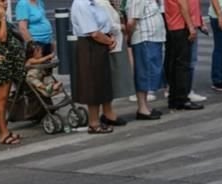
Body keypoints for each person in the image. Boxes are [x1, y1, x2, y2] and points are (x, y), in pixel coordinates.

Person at [70, 0, 119, 133]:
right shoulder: (81, 4)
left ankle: (105, 116)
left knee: (102, 81)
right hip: (90, 46)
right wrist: (109, 41)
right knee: (92, 83)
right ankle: (94, 123)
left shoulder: (93, 3)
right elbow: (93, 32)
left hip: (100, 44)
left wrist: (110, 38)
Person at [0, 0, 27, 146]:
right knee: (1, 99)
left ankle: (6, 130)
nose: (6, 4)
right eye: (3, 1)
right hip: (1, 65)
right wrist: (3, 18)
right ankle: (3, 133)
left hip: (11, 63)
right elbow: (2, 37)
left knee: (6, 98)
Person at [125, 0, 164, 118]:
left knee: (148, 73)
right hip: (144, 38)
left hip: (152, 37)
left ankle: (145, 106)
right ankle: (142, 107)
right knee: (144, 73)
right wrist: (129, 38)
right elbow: (132, 22)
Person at [164, 0, 204, 109]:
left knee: (175, 64)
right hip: (181, 25)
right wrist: (191, 27)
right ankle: (182, 99)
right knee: (182, 65)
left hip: (174, 25)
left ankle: (174, 98)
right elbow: (183, 5)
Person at [100, 0, 132, 124]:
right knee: (111, 80)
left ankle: (108, 111)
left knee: (113, 80)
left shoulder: (106, 3)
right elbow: (108, 25)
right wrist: (122, 27)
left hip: (115, 43)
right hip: (112, 44)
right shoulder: (101, 3)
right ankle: (107, 113)